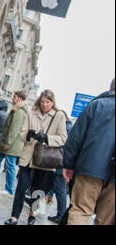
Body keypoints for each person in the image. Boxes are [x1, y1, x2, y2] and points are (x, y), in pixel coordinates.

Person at [4, 89, 67, 225]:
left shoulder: (59, 116)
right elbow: (21, 133)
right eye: (43, 102)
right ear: (39, 101)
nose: (45, 105)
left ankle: (32, 214)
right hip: (28, 156)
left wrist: (47, 138)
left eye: (48, 102)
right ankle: (14, 217)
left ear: (52, 102)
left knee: (37, 190)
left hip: (45, 160)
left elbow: (63, 139)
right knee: (21, 188)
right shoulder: (31, 113)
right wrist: (28, 134)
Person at [63, 79, 115, 225]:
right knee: (106, 220)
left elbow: (75, 138)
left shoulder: (96, 105)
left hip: (90, 167)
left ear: (111, 87)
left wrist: (68, 164)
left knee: (80, 210)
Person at [46, 111, 71, 224]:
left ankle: (60, 215)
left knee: (60, 190)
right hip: (61, 162)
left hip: (61, 163)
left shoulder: (66, 129)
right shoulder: (68, 128)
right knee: (48, 185)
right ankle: (35, 201)